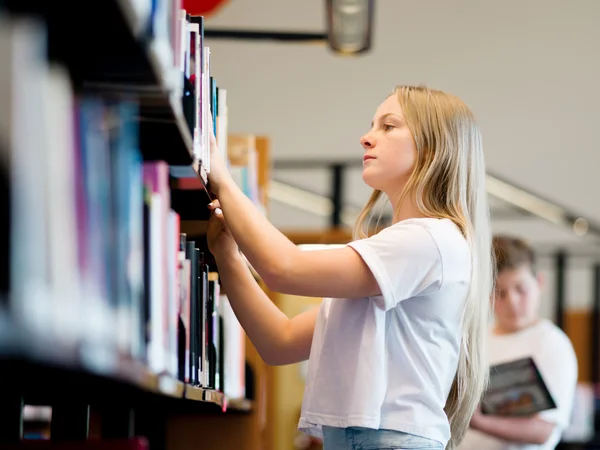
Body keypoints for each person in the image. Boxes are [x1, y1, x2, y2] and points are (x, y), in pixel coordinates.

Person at [205, 85, 494, 450]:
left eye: (388, 126)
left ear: (434, 149)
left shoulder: (430, 240)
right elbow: (280, 342)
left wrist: (221, 176)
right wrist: (227, 256)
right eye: (372, 125)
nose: (366, 138)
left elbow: (283, 267)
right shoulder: (395, 254)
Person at [459, 236, 578, 450]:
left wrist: (478, 421)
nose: (512, 301)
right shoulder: (473, 339)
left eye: (521, 289)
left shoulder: (552, 343)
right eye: (500, 292)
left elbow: (545, 430)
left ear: (539, 283)